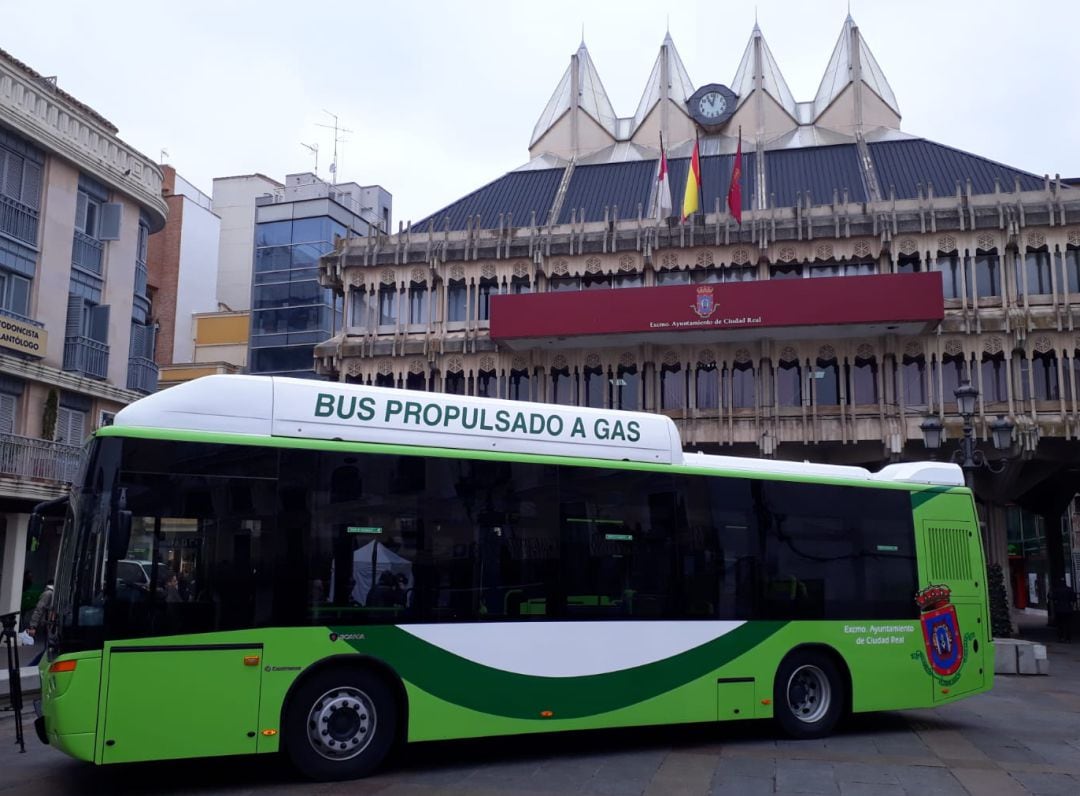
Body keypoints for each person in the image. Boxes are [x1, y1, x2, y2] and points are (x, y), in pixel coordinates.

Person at [27, 578, 54, 667]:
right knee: (47, 650)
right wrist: (33, 627)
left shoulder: (52, 593)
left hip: (50, 625)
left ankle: (32, 666)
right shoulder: (48, 594)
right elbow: (39, 610)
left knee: (47, 649)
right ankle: (31, 666)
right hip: (47, 625)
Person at [1052, 578, 1075, 643]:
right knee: (1068, 625)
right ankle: (1068, 639)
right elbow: (1073, 599)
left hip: (1059, 610)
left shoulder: (1057, 590)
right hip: (1068, 610)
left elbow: (1052, 597)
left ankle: (1061, 638)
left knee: (1060, 625)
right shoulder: (1069, 589)